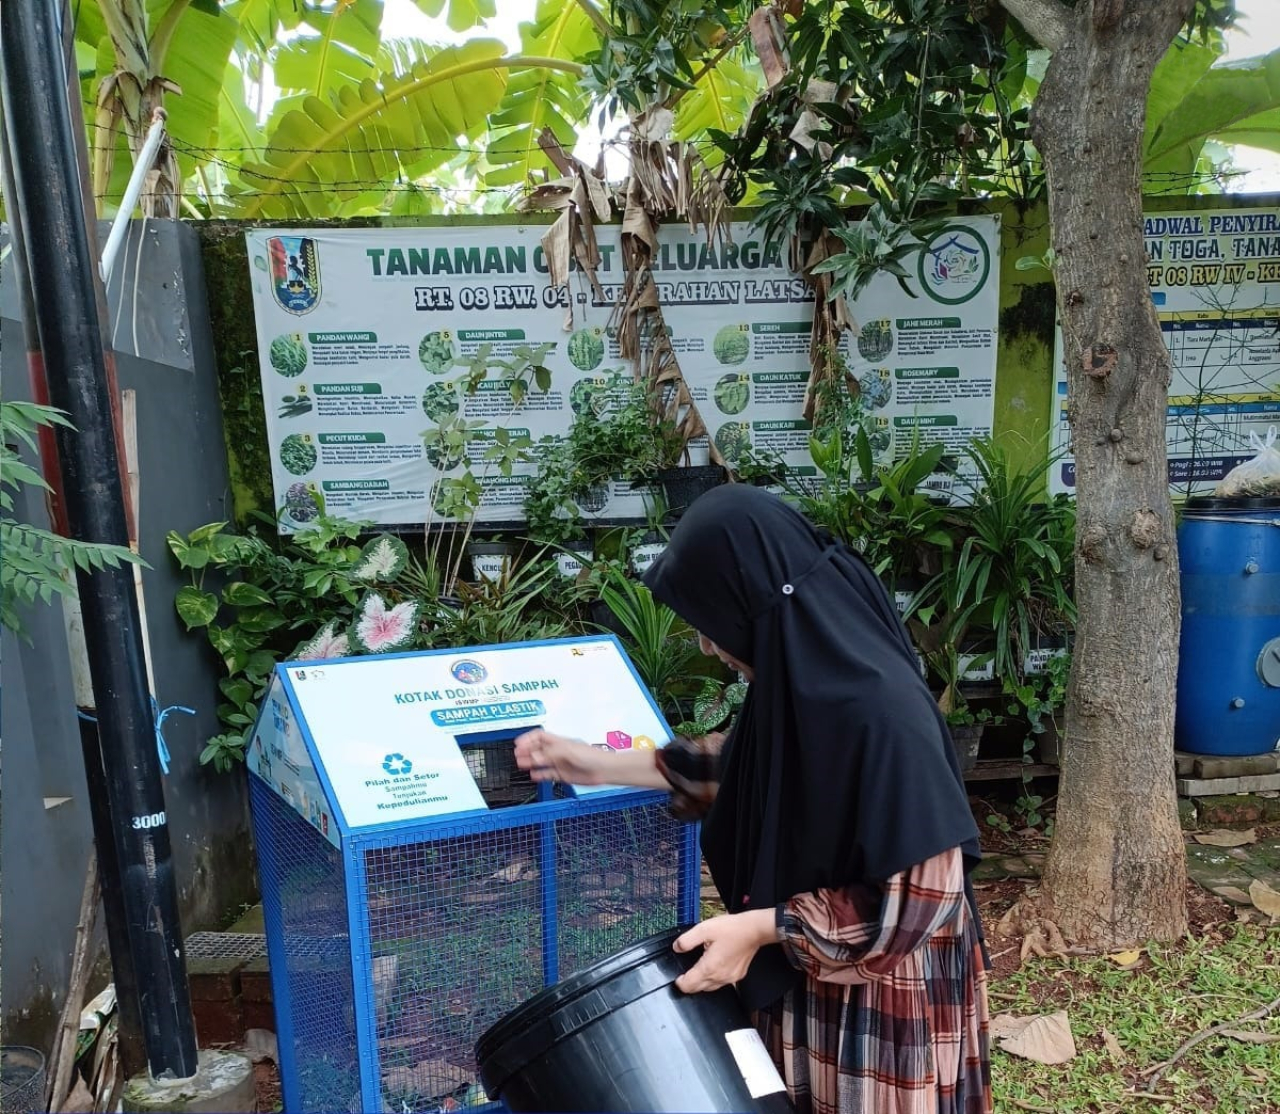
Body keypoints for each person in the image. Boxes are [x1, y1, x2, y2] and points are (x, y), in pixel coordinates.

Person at [514, 484, 991, 1114]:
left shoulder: (883, 713)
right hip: (804, 984)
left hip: (878, 1007)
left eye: (714, 626)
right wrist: (589, 761)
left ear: (758, 607)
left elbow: (921, 900)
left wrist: (762, 929)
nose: (710, 648)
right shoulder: (800, 693)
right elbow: (735, 768)